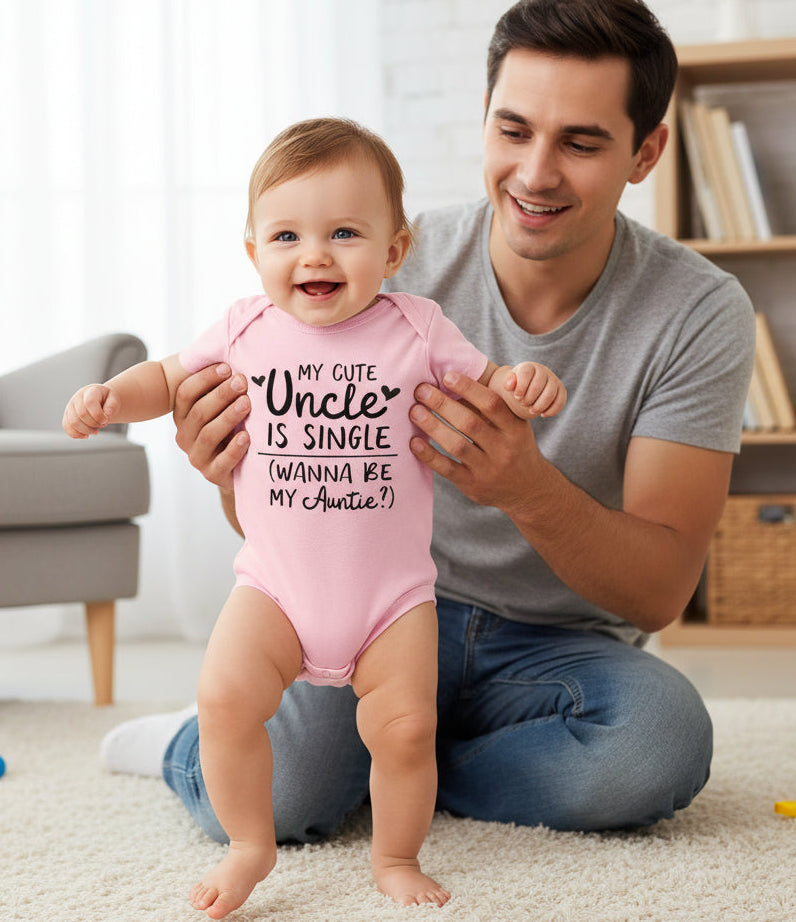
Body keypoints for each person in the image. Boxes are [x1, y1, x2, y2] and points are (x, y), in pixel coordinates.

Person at [103, 0, 755, 895]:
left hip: (556, 645)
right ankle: (203, 742)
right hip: (383, 606)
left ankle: (400, 762)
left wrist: (526, 487)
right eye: (513, 128)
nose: (535, 172)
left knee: (657, 745)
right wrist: (228, 466)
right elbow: (300, 488)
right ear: (483, 117)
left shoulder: (698, 311)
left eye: (582, 142)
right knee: (277, 791)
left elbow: (660, 588)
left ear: (646, 152)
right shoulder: (372, 255)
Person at [64, 117, 566, 917]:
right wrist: (114, 399)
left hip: (392, 600)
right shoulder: (244, 328)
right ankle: (247, 845)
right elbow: (167, 376)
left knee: (404, 732)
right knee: (226, 702)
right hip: (276, 589)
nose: (316, 255)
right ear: (254, 251)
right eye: (287, 235)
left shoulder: (418, 328)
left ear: (394, 251)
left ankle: (396, 856)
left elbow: (490, 384)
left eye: (344, 232)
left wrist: (525, 386)